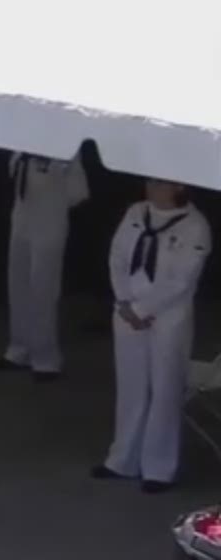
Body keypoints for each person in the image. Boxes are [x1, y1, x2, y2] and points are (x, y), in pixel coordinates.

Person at [97, 178, 210, 493]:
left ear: (179, 187)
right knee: (131, 384)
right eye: (150, 182)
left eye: (161, 183)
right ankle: (123, 458)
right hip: (127, 311)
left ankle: (159, 467)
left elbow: (182, 280)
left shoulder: (195, 225)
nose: (152, 188)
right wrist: (124, 302)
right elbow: (117, 256)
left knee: (165, 388)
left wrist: (144, 308)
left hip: (167, 317)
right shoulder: (136, 212)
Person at [0, 152, 89, 379]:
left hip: (49, 224)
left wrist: (57, 193)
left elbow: (79, 192)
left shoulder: (65, 153)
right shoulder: (21, 149)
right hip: (21, 220)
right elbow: (12, 171)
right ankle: (18, 348)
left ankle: (45, 358)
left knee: (44, 289)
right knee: (17, 284)